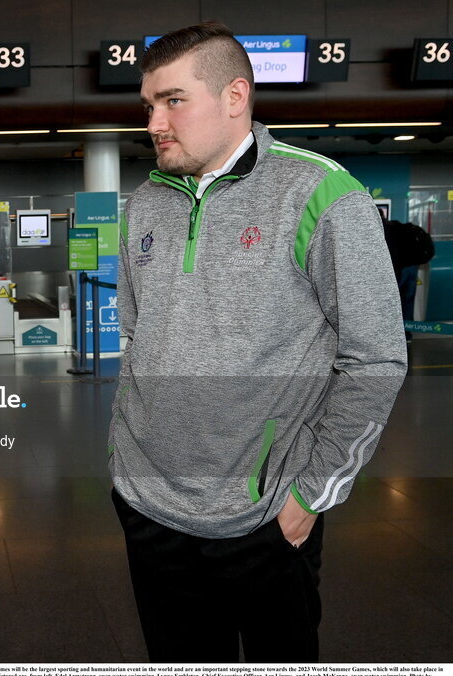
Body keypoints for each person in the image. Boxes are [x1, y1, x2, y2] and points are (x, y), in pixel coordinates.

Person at [108, 22, 407, 662]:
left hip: (266, 517)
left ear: (236, 95)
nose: (155, 122)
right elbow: (137, 332)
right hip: (149, 505)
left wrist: (310, 495)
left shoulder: (321, 194)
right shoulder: (144, 203)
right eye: (148, 105)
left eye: (174, 100)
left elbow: (376, 358)